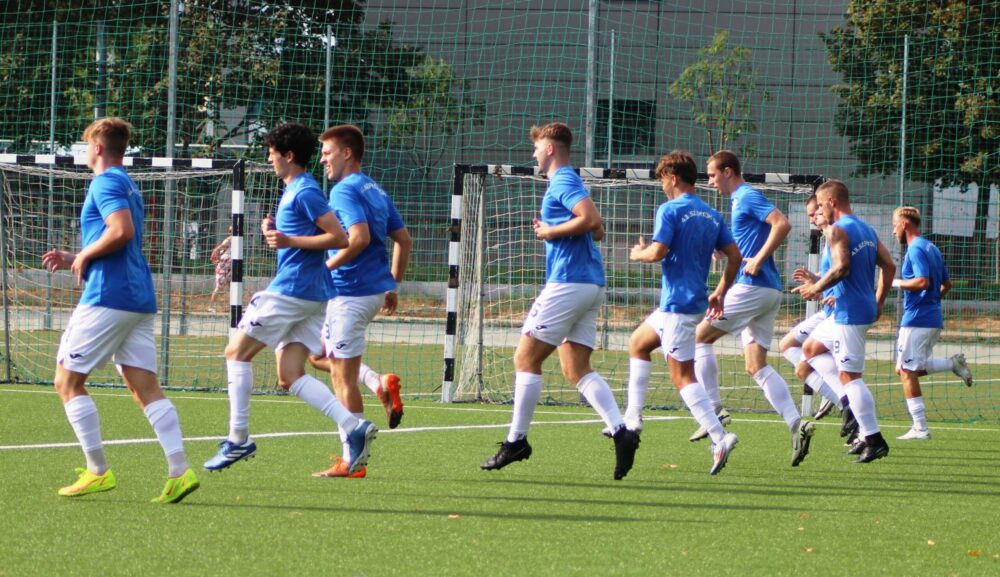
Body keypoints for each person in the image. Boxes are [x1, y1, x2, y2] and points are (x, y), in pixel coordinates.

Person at [203, 123, 377, 475]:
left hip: (294, 290)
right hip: (312, 294)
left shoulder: (304, 191)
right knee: (289, 374)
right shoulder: (295, 191)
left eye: (272, 154)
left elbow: (340, 237)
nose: (270, 160)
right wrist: (277, 233)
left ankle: (238, 439)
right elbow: (304, 236)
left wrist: (287, 241)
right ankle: (354, 426)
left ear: (289, 155)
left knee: (236, 353)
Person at [42, 117, 199, 503]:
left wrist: (84, 256)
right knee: (144, 386)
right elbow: (117, 236)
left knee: (67, 381)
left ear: (97, 147)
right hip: (137, 297)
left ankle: (98, 471)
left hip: (108, 296)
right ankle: (180, 471)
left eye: (86, 145)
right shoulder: (128, 183)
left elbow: (121, 231)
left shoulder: (105, 182)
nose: (85, 152)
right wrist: (76, 256)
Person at [480, 122, 640, 480]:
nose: (534, 154)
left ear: (550, 148)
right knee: (575, 368)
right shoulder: (571, 181)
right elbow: (597, 229)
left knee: (525, 358)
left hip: (569, 282)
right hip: (590, 284)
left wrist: (551, 230)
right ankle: (621, 432)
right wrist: (564, 229)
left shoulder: (563, 180)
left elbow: (592, 220)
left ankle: (516, 441)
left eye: (537, 147)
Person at [692, 150, 815, 467]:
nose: (710, 181)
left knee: (699, 338)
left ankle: (714, 408)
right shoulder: (738, 201)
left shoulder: (746, 195)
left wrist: (758, 259)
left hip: (752, 288)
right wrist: (726, 251)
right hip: (767, 292)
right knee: (756, 365)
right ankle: (796, 424)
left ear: (728, 171)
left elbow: (782, 224)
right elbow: (749, 241)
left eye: (712, 175)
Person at [307, 124, 412, 478]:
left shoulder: (343, 190)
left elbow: (360, 238)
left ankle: (352, 461)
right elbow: (404, 240)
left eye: (327, 153)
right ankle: (378, 382)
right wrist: (392, 284)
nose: (323, 160)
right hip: (368, 292)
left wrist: (324, 268)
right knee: (316, 356)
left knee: (342, 379)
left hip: (349, 293)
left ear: (347, 153)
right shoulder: (375, 189)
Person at [628, 151, 742, 474]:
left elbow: (657, 252)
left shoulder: (669, 209)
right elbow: (735, 256)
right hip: (683, 305)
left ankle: (719, 437)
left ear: (673, 178)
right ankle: (632, 418)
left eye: (663, 180)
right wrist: (721, 290)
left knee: (683, 376)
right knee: (638, 343)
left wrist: (637, 254)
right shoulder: (711, 214)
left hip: (678, 307)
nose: (662, 187)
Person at [792, 179, 896, 463]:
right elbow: (889, 265)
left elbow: (842, 268)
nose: (819, 210)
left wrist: (816, 287)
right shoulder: (866, 229)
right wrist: (878, 301)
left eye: (820, 205)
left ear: (832, 202)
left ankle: (873, 438)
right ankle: (848, 403)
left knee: (850, 377)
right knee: (809, 350)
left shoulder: (838, 229)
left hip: (850, 312)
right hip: (850, 310)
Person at [891, 206, 973, 440]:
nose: (893, 230)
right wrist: (932, 302)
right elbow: (947, 284)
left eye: (895, 225)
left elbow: (923, 282)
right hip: (931, 318)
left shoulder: (915, 248)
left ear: (904, 224)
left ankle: (920, 427)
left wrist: (895, 283)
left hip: (918, 320)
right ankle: (952, 364)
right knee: (905, 368)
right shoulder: (931, 247)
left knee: (907, 371)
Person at [778, 194, 846, 420]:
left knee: (805, 364)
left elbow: (847, 272)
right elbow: (831, 276)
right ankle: (838, 395)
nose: (812, 219)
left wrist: (831, 293)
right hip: (828, 312)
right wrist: (814, 281)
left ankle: (842, 397)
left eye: (814, 213)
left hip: (839, 314)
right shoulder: (828, 238)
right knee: (789, 348)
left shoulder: (838, 235)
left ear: (825, 207)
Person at [208, 226, 232, 312]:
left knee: (232, 287)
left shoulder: (237, 241)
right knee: (218, 287)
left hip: (230, 267)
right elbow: (218, 249)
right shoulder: (228, 240)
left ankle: (233, 306)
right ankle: (210, 306)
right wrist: (215, 256)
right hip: (223, 267)